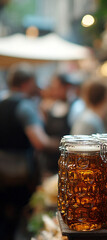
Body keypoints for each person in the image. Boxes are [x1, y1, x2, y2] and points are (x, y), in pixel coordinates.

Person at [0, 63, 59, 240]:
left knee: (5, 220)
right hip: (19, 173)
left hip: (2, 170)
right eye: (34, 82)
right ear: (26, 83)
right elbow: (40, 142)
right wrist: (65, 142)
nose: (37, 85)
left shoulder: (2, 102)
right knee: (22, 221)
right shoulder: (24, 106)